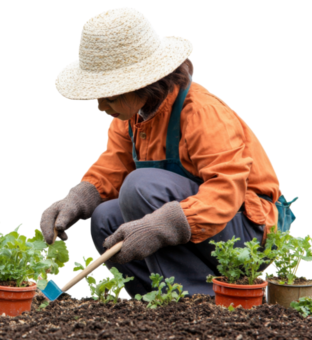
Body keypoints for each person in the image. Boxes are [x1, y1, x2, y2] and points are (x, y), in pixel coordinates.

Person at [41, 6, 280, 298]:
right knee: (105, 220)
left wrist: (163, 225)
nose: (101, 107)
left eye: (110, 96)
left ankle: (202, 301)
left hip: (248, 233)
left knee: (140, 188)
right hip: (204, 229)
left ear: (143, 84)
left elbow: (225, 189)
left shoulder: (201, 113)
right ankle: (154, 305)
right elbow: (113, 165)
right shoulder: (129, 118)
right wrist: (76, 200)